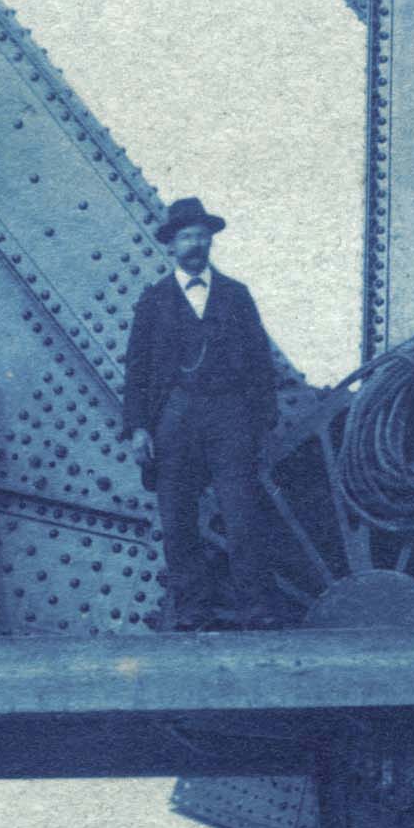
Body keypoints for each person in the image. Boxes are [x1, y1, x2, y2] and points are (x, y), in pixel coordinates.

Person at [121, 192, 284, 629]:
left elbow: (260, 361)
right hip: (173, 416)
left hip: (229, 414)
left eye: (200, 235)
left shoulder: (236, 295)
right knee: (177, 518)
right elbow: (136, 368)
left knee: (242, 515)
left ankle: (257, 609)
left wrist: (262, 423)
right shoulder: (153, 300)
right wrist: (138, 427)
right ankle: (194, 611)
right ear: (171, 245)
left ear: (210, 241)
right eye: (185, 237)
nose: (194, 244)